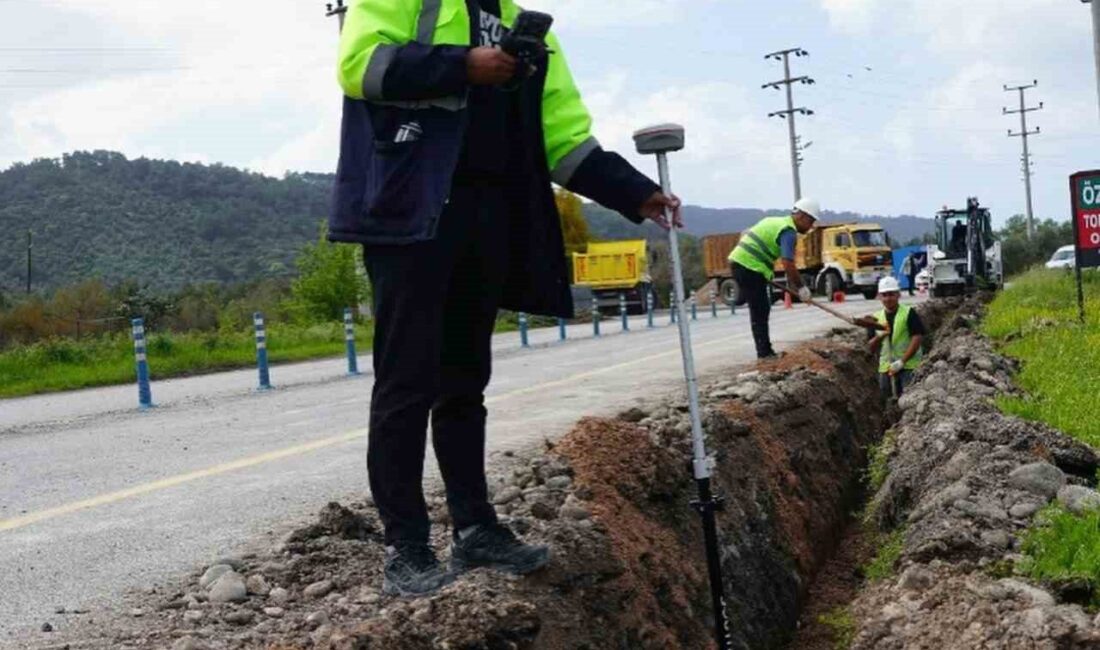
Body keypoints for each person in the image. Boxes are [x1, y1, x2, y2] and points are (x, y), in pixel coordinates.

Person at [328, 0, 682, 597]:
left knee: (465, 381)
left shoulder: (528, 29)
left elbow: (562, 137)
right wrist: (464, 64)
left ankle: (475, 529)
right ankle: (407, 546)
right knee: (406, 380)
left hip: (486, 217)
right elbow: (361, 66)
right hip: (411, 207)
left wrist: (634, 192)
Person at [728, 198, 819, 359]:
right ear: (802, 216)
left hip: (742, 263)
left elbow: (747, 235)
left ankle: (764, 349)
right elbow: (787, 262)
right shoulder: (788, 231)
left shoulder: (776, 221)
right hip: (748, 266)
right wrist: (801, 288)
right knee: (760, 309)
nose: (811, 226)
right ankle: (764, 353)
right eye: (810, 221)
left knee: (758, 304)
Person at [867, 277, 924, 399]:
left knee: (908, 398)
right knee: (886, 399)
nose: (888, 298)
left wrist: (902, 361)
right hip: (885, 367)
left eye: (891, 294)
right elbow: (870, 347)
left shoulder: (908, 313)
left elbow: (917, 338)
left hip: (908, 365)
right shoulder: (875, 318)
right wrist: (880, 336)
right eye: (884, 295)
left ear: (898, 295)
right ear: (879, 296)